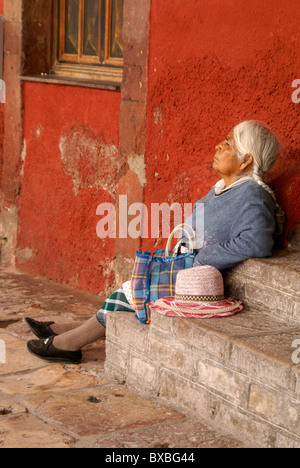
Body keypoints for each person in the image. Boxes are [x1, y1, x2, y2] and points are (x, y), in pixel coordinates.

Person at [26, 120, 284, 363]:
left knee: (133, 291)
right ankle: (67, 331)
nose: (219, 145)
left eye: (228, 144)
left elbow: (257, 242)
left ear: (246, 160)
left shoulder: (252, 195)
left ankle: (69, 343)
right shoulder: (224, 188)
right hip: (185, 265)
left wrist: (204, 257)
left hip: (198, 280)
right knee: (135, 282)